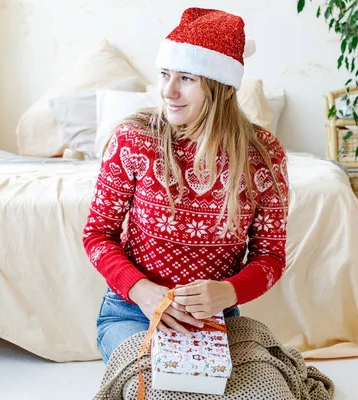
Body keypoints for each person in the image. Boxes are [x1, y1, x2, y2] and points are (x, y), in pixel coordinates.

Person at [82, 7, 289, 364]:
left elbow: (270, 257)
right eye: (165, 75)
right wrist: (142, 292)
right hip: (132, 312)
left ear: (224, 89)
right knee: (154, 386)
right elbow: (97, 234)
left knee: (262, 386)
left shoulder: (263, 155)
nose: (168, 91)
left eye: (187, 79)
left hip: (216, 319)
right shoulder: (135, 139)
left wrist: (227, 292)